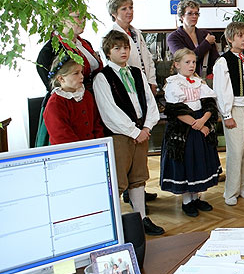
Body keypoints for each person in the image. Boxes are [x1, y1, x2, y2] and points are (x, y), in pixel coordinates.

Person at [92, 30, 164, 236]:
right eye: (117, 48)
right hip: (120, 135)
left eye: (125, 47)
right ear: (108, 51)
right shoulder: (102, 78)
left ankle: (141, 218)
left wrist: (147, 127)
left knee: (138, 177)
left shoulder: (136, 73)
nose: (123, 51)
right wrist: (133, 131)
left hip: (141, 132)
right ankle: (114, 225)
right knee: (119, 180)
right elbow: (109, 112)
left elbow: (149, 102)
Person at [161, 48, 222, 217]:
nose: (191, 65)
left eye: (194, 62)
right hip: (184, 128)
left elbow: (209, 103)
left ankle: (196, 197)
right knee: (186, 162)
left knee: (198, 161)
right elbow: (175, 109)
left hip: (199, 124)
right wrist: (196, 124)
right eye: (187, 62)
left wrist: (204, 121)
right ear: (177, 64)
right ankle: (187, 201)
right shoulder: (173, 83)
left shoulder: (199, 82)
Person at [35, 10, 103, 147]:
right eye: (78, 17)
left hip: (90, 101)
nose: (83, 20)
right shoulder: (50, 50)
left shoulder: (85, 44)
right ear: (62, 20)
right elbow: (51, 82)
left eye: (84, 17)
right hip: (67, 105)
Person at [213, 22, 244, 206]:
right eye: (239, 36)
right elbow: (222, 89)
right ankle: (231, 191)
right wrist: (226, 114)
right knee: (236, 151)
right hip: (235, 109)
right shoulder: (223, 61)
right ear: (230, 39)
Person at [42, 54, 104, 145]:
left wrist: (100, 144)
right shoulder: (55, 104)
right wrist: (83, 150)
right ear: (61, 78)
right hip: (71, 153)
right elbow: (62, 137)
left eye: (81, 72)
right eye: (76, 73)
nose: (82, 76)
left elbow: (97, 124)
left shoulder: (86, 95)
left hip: (94, 149)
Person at [107, 0, 157, 95]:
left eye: (131, 8)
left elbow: (148, 58)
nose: (129, 12)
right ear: (114, 13)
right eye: (124, 9)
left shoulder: (136, 33)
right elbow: (109, 64)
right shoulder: (110, 35)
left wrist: (152, 81)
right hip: (126, 86)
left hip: (144, 83)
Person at [167, 0, 220, 78]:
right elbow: (185, 59)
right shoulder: (173, 37)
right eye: (190, 13)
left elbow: (215, 59)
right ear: (182, 17)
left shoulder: (206, 34)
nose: (194, 16)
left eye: (196, 13)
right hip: (185, 80)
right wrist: (206, 43)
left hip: (206, 79)